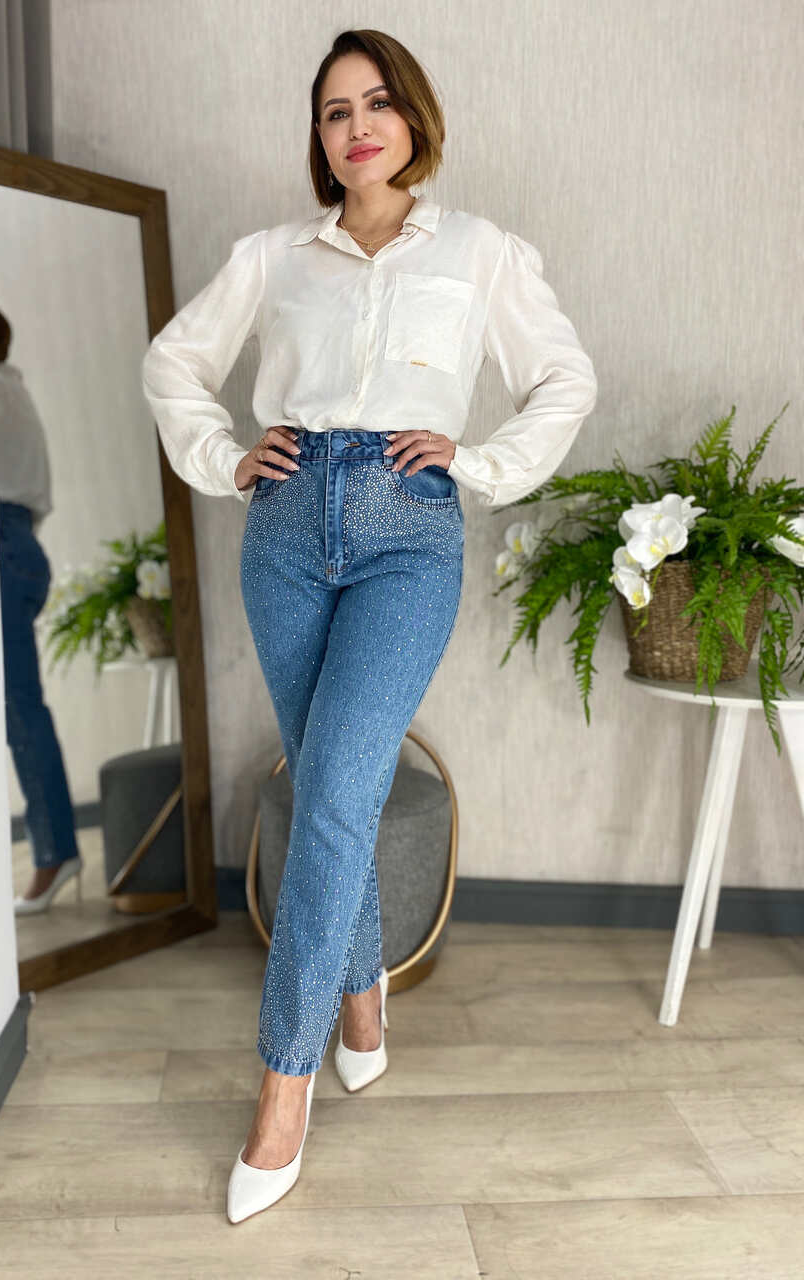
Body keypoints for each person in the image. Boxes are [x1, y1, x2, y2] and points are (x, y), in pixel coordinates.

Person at [141, 29, 598, 1223]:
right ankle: (359, 996)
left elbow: (564, 379)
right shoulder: (271, 257)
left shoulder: (482, 252)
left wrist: (478, 461)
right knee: (326, 787)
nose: (357, 127)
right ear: (319, 134)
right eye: (336, 110)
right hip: (287, 529)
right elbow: (173, 363)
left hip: (409, 531)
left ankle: (282, 1084)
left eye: (378, 103)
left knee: (339, 791)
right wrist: (224, 457)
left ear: (414, 118)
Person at [0, 300, 83, 914]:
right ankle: (54, 849)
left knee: (17, 708)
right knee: (17, 706)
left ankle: (53, 852)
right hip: (19, 543)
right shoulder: (12, 390)